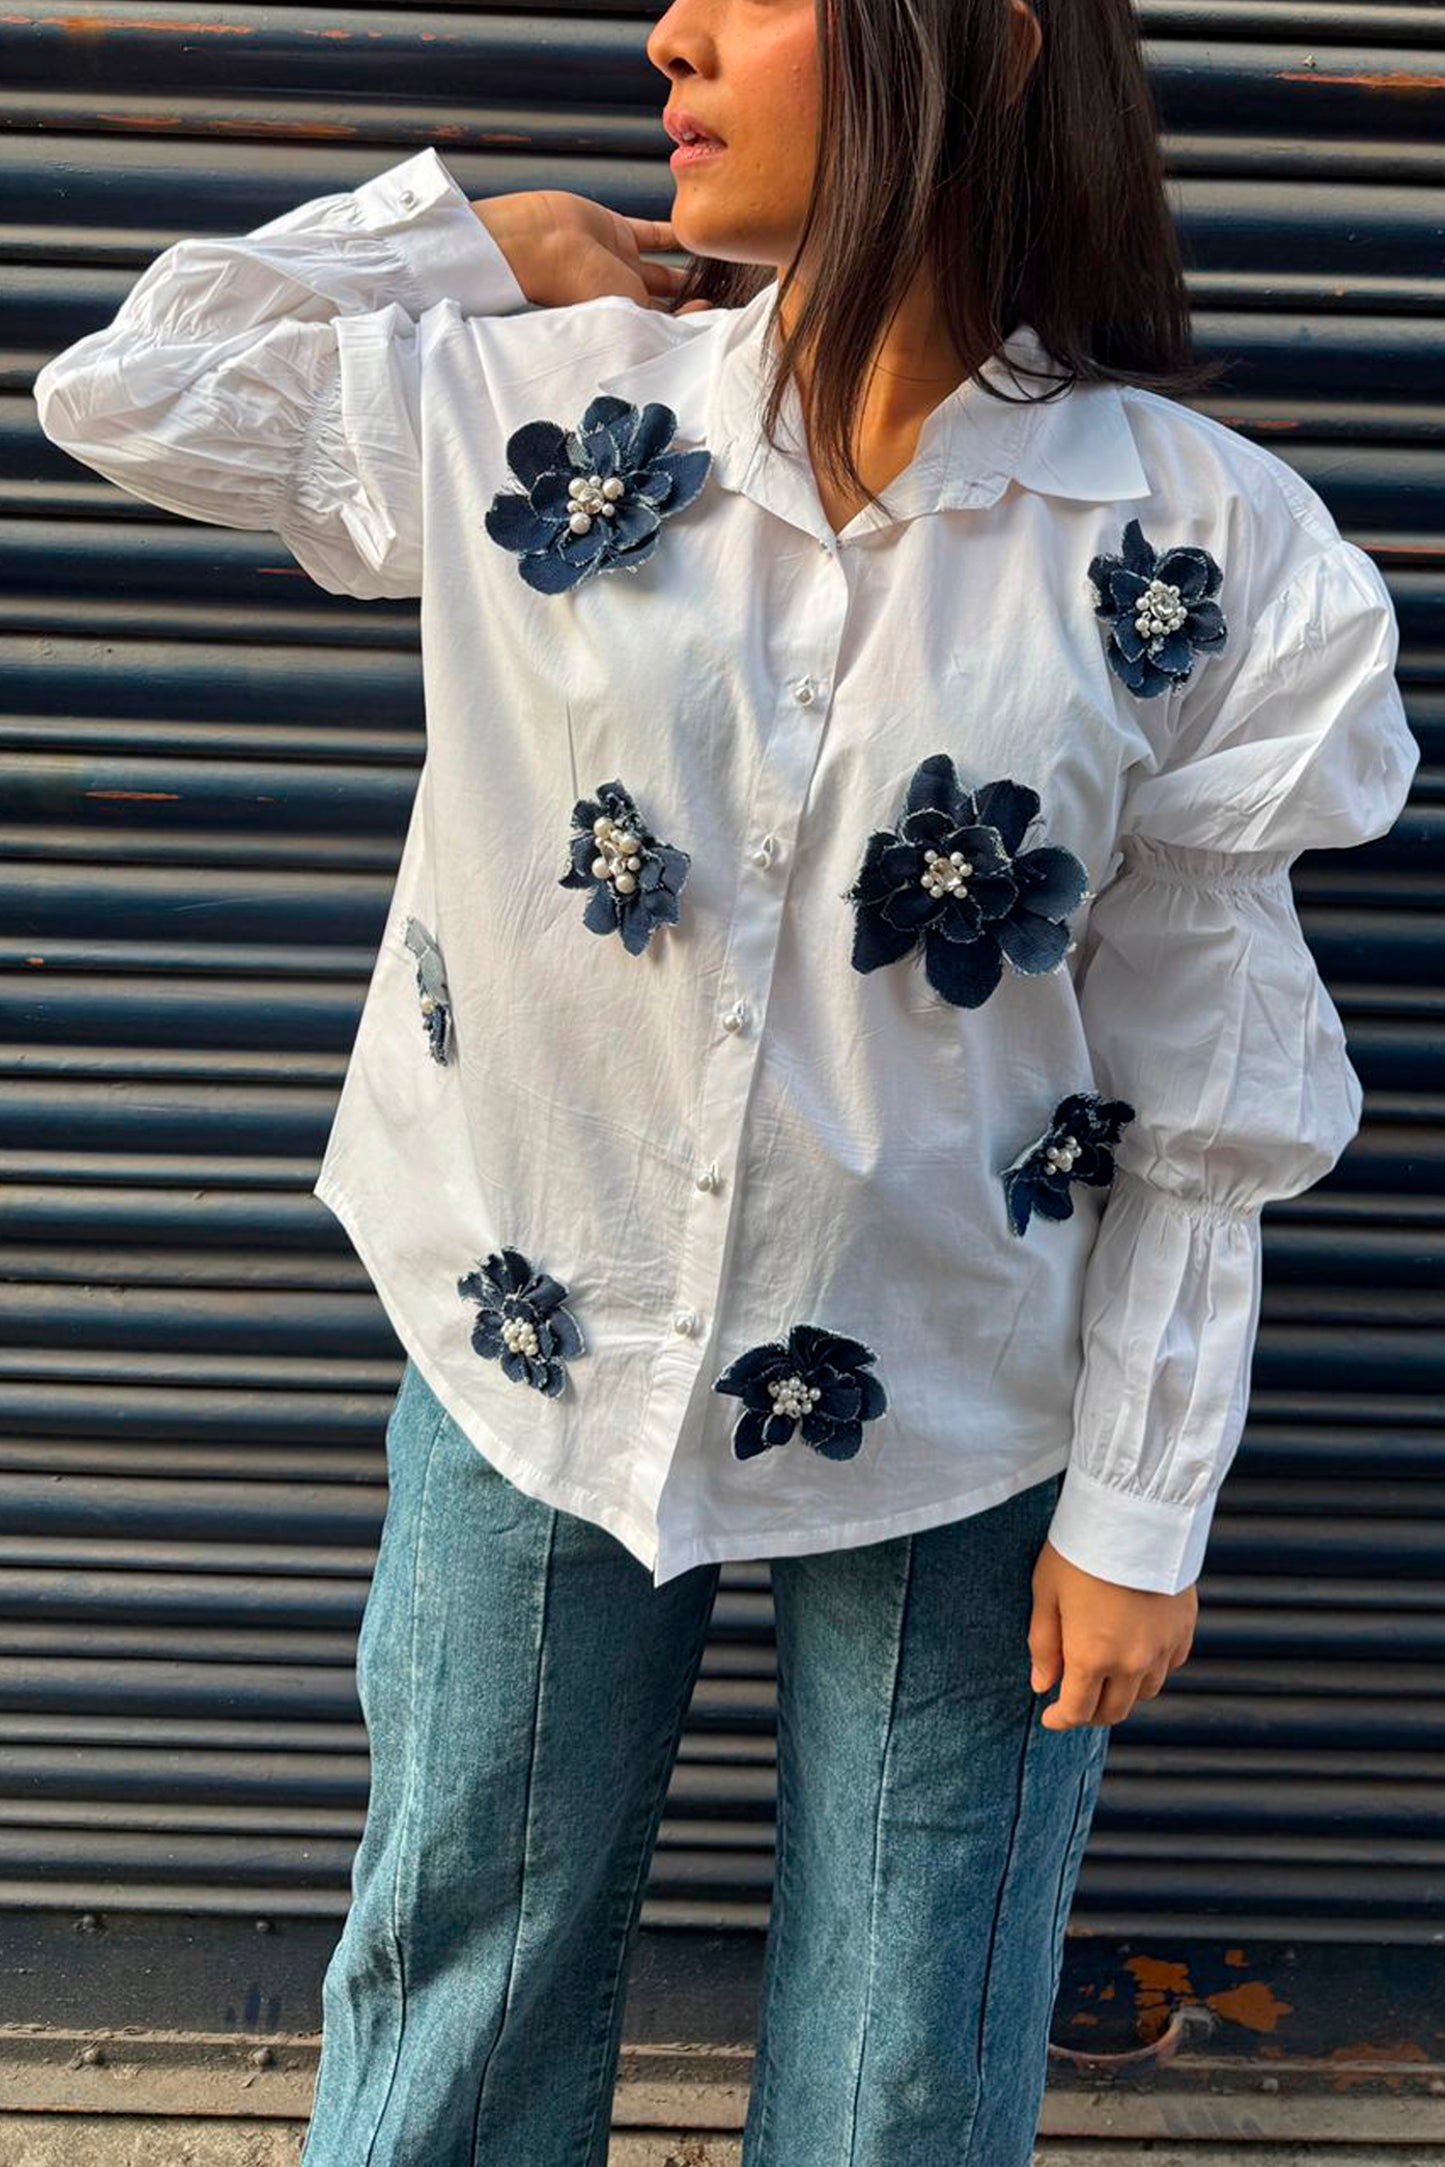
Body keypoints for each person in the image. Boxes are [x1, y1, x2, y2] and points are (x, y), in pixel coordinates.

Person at [32, 0, 1417, 2158]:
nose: (666, 28)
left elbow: (1206, 1065)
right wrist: (486, 245)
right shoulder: (538, 408)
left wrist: (1147, 1494)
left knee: (908, 2040)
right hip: (533, 1333)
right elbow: (131, 384)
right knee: (455, 1969)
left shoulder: (1198, 556)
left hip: (963, 1402)